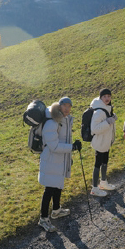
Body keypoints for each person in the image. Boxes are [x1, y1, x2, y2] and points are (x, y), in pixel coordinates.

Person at [37, 97, 82, 232]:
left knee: (57, 186)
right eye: (65, 106)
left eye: (69, 106)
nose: (67, 109)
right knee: (49, 190)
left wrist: (71, 149)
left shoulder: (63, 119)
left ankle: (56, 210)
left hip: (59, 159)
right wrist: (72, 147)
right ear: (59, 106)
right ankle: (43, 219)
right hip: (51, 160)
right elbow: (54, 146)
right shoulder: (52, 122)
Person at [89, 88, 117, 197]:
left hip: (106, 141)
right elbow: (94, 129)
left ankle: (103, 182)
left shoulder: (107, 108)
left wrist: (111, 119)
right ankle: (95, 188)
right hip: (100, 142)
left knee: (105, 161)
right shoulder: (99, 111)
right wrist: (108, 122)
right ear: (100, 98)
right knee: (98, 164)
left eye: (109, 96)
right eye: (104, 96)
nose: (107, 98)